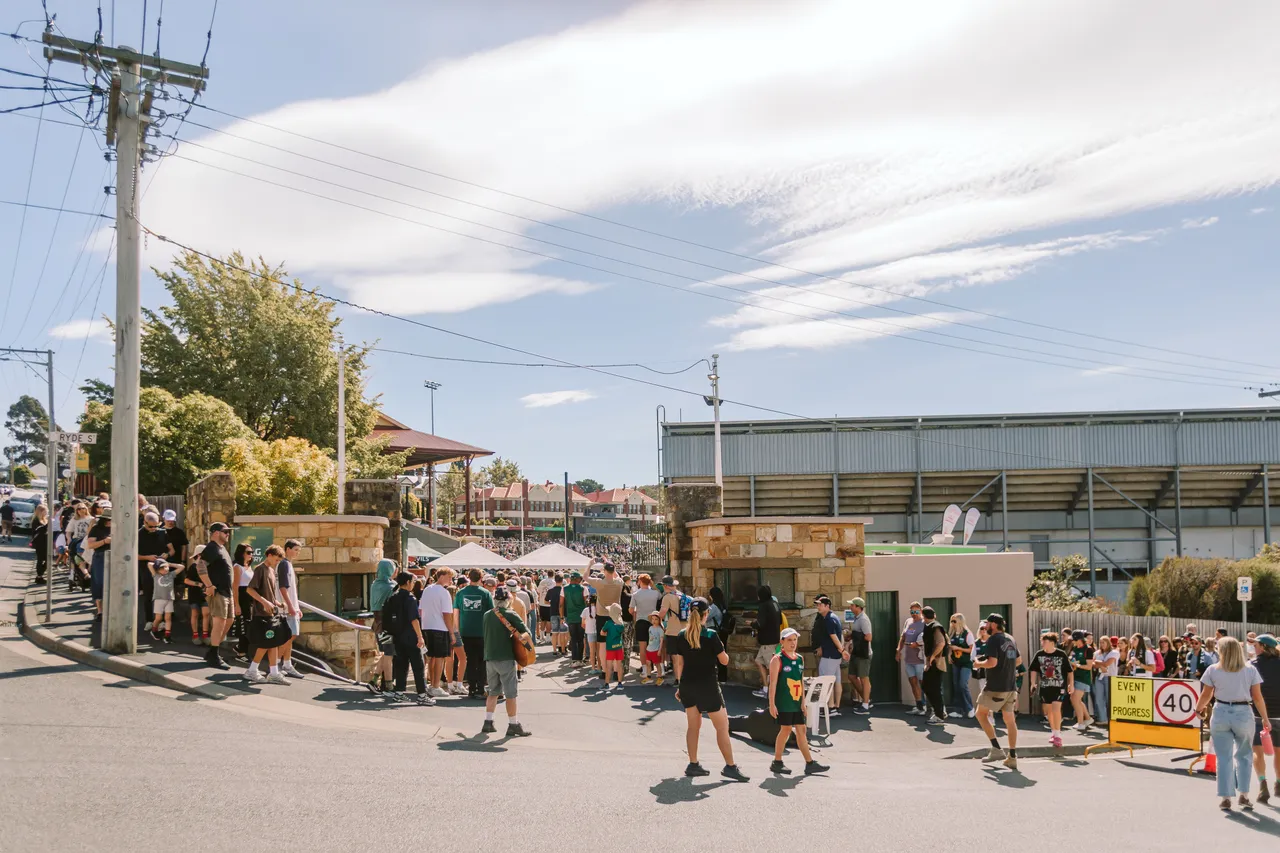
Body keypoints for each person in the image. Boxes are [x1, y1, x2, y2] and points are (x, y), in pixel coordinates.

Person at [672, 598, 749, 781]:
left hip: (688, 685)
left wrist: (679, 686)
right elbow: (724, 661)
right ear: (706, 614)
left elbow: (680, 662)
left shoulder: (682, 635)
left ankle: (693, 764)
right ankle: (730, 766)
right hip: (708, 686)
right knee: (722, 726)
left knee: (693, 727)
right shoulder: (711, 635)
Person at [1196, 636, 1272, 811]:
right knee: (1244, 755)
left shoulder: (1213, 670)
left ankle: (1225, 797)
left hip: (1221, 711)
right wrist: (1265, 718)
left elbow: (1206, 695)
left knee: (1224, 758)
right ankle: (1244, 795)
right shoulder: (1250, 670)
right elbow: (1257, 697)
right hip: (1243, 713)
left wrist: (1198, 709)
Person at [768, 626, 829, 777]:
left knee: (801, 730)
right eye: (789, 640)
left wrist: (803, 702)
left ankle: (809, 763)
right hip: (784, 701)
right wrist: (772, 703)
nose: (793, 643)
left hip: (796, 702)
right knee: (786, 729)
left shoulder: (800, 659)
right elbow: (773, 683)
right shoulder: (777, 659)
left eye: (794, 640)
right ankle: (777, 761)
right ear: (782, 642)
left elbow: (800, 681)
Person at [481, 586, 532, 737]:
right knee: (510, 693)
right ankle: (513, 724)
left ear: (494, 600)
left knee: (493, 691)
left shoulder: (487, 615)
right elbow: (526, 633)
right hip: (506, 657)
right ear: (509, 600)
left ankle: (488, 722)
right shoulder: (511, 614)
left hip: (490, 657)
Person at [974, 613, 1021, 770]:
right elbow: (1019, 661)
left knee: (980, 714)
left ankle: (996, 749)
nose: (985, 626)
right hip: (1011, 686)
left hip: (996, 686)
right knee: (1010, 720)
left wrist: (978, 664)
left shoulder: (993, 639)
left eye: (987, 624)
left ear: (993, 625)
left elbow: (992, 663)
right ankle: (1012, 757)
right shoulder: (1010, 638)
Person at [242, 545, 289, 685]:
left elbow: (268, 594)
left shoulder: (271, 571)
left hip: (270, 613)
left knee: (272, 642)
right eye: (276, 560)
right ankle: (252, 671)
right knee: (266, 643)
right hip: (261, 614)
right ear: (269, 555)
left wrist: (277, 603)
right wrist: (265, 603)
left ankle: (273, 672)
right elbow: (250, 590)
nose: (277, 563)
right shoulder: (260, 569)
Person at [385, 571, 431, 703]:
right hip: (411, 636)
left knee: (401, 665)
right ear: (407, 582)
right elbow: (414, 619)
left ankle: (399, 692)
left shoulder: (393, 596)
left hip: (397, 636)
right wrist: (420, 637)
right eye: (412, 581)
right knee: (418, 666)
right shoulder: (410, 599)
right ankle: (422, 695)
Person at [197, 522, 236, 669]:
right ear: (215, 533)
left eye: (228, 531)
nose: (227, 534)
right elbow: (200, 565)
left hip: (228, 592)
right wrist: (208, 585)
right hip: (218, 591)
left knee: (229, 620)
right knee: (220, 622)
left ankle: (213, 651)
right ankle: (214, 655)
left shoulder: (222, 549)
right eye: (225, 531)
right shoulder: (212, 548)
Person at [454, 568, 493, 699]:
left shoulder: (460, 593)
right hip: (482, 632)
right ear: (481, 578)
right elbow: (491, 614)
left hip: (466, 631)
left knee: (470, 661)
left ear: (468, 577)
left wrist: (457, 630)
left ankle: (471, 688)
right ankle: (480, 688)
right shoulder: (485, 593)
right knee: (482, 661)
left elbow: (456, 613)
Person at [1250, 634, 1280, 805]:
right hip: (1279, 714)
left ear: (1262, 647)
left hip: (1258, 715)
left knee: (1257, 750)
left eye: (1256, 645)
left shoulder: (1252, 665)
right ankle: (1279, 783)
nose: (1254, 648)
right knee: (1279, 751)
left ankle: (1262, 784)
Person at [1029, 631, 1071, 749]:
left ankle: (1058, 735)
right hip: (1045, 686)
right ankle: (1054, 732)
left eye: (1045, 641)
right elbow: (1033, 669)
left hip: (1059, 686)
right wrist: (1033, 683)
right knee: (1048, 711)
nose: (1042, 643)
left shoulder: (1061, 654)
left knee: (1056, 708)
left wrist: (1070, 685)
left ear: (1052, 643)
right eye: (1042, 641)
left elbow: (1069, 671)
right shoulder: (1039, 654)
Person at [420, 567, 456, 698]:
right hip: (440, 627)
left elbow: (421, 610)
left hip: (427, 626)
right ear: (441, 576)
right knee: (439, 658)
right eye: (449, 577)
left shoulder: (427, 589)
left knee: (431, 658)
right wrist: (452, 633)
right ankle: (435, 686)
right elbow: (447, 614)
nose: (451, 580)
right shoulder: (443, 592)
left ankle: (432, 684)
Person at [368, 558, 398, 694]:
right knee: (388, 654)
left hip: (377, 623)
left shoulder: (374, 584)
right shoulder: (391, 586)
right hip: (387, 624)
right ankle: (389, 685)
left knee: (386, 653)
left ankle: (374, 681)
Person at [813, 595, 846, 716]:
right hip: (835, 655)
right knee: (836, 680)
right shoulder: (833, 617)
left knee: (826, 680)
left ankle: (830, 707)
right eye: (817, 605)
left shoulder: (828, 619)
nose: (818, 607)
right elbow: (839, 635)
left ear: (827, 606)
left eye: (820, 605)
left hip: (830, 655)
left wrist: (842, 650)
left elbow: (834, 636)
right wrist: (841, 651)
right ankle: (836, 706)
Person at [594, 562, 624, 678]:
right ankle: (616, 671)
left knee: (602, 645)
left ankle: (605, 670)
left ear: (604, 571)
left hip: (602, 614)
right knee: (616, 643)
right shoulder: (619, 583)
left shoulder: (599, 584)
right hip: (615, 614)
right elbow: (617, 576)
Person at [136, 511, 168, 622]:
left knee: (163, 595)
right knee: (148, 595)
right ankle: (149, 620)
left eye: (156, 526)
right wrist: (147, 557)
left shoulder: (163, 533)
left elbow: (171, 550)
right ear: (144, 522)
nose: (154, 528)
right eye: (151, 526)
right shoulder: (138, 535)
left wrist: (166, 555)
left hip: (162, 568)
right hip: (145, 568)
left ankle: (162, 620)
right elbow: (133, 556)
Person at [897, 602, 927, 715]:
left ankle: (930, 706)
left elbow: (928, 640)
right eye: (912, 612)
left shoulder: (924, 623)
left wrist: (918, 644)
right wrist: (898, 650)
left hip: (920, 659)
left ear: (920, 611)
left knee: (924, 683)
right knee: (913, 683)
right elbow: (903, 637)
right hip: (908, 659)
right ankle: (919, 706)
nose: (914, 614)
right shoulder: (908, 622)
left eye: (916, 611)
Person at [752, 584, 782, 698]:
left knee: (772, 667)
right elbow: (779, 621)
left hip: (767, 642)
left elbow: (761, 623)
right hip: (775, 638)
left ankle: (772, 692)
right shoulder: (775, 604)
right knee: (759, 661)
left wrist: (752, 623)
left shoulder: (764, 606)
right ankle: (766, 688)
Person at [630, 573, 662, 679]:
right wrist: (653, 585)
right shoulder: (655, 593)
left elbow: (631, 610)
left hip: (641, 621)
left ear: (639, 581)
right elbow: (660, 595)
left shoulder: (635, 594)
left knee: (643, 647)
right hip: (653, 621)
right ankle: (658, 668)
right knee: (655, 645)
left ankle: (645, 668)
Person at [658, 575, 687, 686]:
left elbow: (662, 613)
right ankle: (684, 678)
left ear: (666, 586)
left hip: (673, 630)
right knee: (683, 656)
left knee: (675, 657)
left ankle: (678, 679)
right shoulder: (682, 595)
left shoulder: (667, 597)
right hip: (684, 629)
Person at [846, 597, 873, 714]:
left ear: (857, 607)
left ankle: (866, 705)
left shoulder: (863, 620)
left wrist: (854, 636)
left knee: (864, 678)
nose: (850, 607)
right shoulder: (857, 619)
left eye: (852, 605)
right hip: (856, 652)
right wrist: (851, 636)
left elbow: (868, 637)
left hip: (863, 653)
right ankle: (866, 700)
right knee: (852, 676)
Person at [85, 510, 112, 622]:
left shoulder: (118, 528)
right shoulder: (96, 529)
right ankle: (100, 611)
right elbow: (90, 545)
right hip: (100, 557)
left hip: (115, 557)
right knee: (99, 583)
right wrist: (105, 541)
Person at [182, 545, 211, 646]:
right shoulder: (193, 567)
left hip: (205, 594)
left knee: (206, 613)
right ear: (199, 555)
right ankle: (195, 635)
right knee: (195, 613)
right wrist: (198, 584)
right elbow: (186, 580)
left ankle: (205, 635)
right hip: (194, 593)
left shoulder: (209, 566)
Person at [948, 614, 975, 719]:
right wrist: (950, 654)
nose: (952, 624)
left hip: (966, 663)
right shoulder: (953, 634)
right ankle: (958, 710)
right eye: (951, 621)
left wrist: (958, 648)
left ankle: (970, 708)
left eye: (954, 621)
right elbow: (950, 646)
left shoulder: (967, 634)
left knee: (963, 684)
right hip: (956, 662)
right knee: (956, 685)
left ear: (960, 622)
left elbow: (971, 649)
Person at [1067, 630, 1095, 732]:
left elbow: (1089, 666)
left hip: (1083, 678)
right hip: (1075, 677)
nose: (1073, 642)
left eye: (1074, 640)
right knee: (1075, 699)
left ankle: (1081, 722)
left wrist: (1077, 665)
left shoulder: (1088, 649)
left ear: (1079, 639)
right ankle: (1088, 718)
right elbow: (1072, 659)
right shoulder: (1074, 648)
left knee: (1075, 699)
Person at [561, 570, 588, 665]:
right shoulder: (583, 588)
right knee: (580, 638)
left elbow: (561, 604)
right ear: (577, 579)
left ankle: (574, 659)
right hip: (582, 617)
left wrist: (561, 617)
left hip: (571, 617)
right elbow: (586, 602)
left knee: (573, 638)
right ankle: (580, 659)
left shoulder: (564, 588)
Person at [1091, 635, 1119, 727]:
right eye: (1101, 642)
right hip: (1099, 677)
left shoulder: (1114, 652)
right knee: (1099, 698)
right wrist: (1101, 665)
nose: (1102, 644)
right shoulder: (1097, 653)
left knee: (1109, 698)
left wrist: (1099, 663)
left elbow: (1107, 663)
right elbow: (1093, 664)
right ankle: (1103, 719)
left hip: (1110, 676)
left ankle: (1111, 718)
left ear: (1108, 643)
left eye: (1104, 642)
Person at [147, 559, 177, 644]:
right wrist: (158, 563)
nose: (165, 569)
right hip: (159, 598)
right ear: (157, 569)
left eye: (166, 567)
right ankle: (154, 630)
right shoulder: (156, 575)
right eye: (162, 568)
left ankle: (167, 636)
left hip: (169, 598)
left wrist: (169, 563)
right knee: (158, 618)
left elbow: (182, 567)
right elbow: (149, 564)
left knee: (168, 618)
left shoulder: (171, 575)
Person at [708, 585, 730, 683]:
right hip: (723, 632)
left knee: (713, 655)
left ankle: (715, 677)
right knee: (722, 653)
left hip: (715, 632)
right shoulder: (723, 605)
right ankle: (723, 678)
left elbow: (705, 618)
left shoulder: (713, 607)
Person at [602, 602, 626, 687]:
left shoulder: (608, 623)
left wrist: (607, 634)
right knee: (619, 666)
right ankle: (620, 683)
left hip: (610, 647)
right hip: (619, 647)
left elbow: (602, 632)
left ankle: (607, 683)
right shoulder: (621, 624)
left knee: (609, 666)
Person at [546, 573, 567, 655]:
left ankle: (554, 650)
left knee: (554, 633)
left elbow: (546, 600)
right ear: (562, 581)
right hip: (563, 613)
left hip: (553, 612)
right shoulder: (564, 590)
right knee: (563, 633)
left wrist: (551, 603)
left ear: (555, 580)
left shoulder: (550, 591)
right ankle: (563, 650)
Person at [643, 612, 665, 685]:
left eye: (656, 619)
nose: (654, 621)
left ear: (659, 620)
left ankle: (660, 677)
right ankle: (648, 677)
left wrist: (659, 650)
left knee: (657, 664)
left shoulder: (660, 630)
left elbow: (661, 641)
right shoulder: (650, 628)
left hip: (656, 650)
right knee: (648, 663)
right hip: (649, 649)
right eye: (652, 619)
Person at [30, 505, 49, 584]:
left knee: (48, 560)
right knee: (40, 559)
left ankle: (39, 575)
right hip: (40, 542)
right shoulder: (36, 520)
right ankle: (39, 576)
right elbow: (38, 530)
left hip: (45, 541)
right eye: (45, 511)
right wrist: (47, 526)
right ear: (41, 511)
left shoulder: (44, 519)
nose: (46, 513)